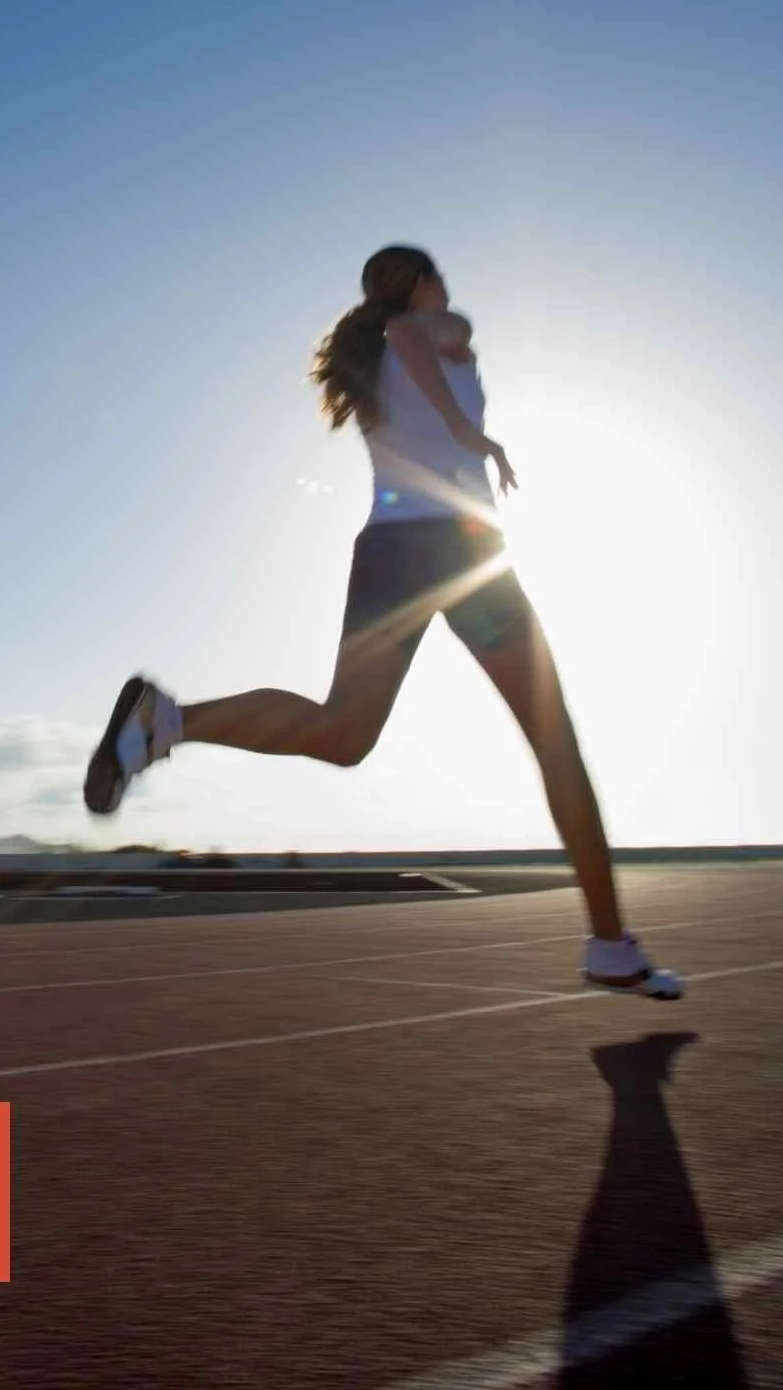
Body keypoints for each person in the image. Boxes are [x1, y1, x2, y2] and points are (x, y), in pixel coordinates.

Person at [83, 243, 681, 999]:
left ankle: (161, 722)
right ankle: (609, 944)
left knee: (344, 735)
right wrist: (471, 437)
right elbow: (410, 335)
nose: (448, 289)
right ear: (421, 285)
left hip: (392, 551)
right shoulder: (431, 328)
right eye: (438, 278)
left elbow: (399, 344)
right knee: (554, 739)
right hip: (459, 549)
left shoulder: (374, 362)